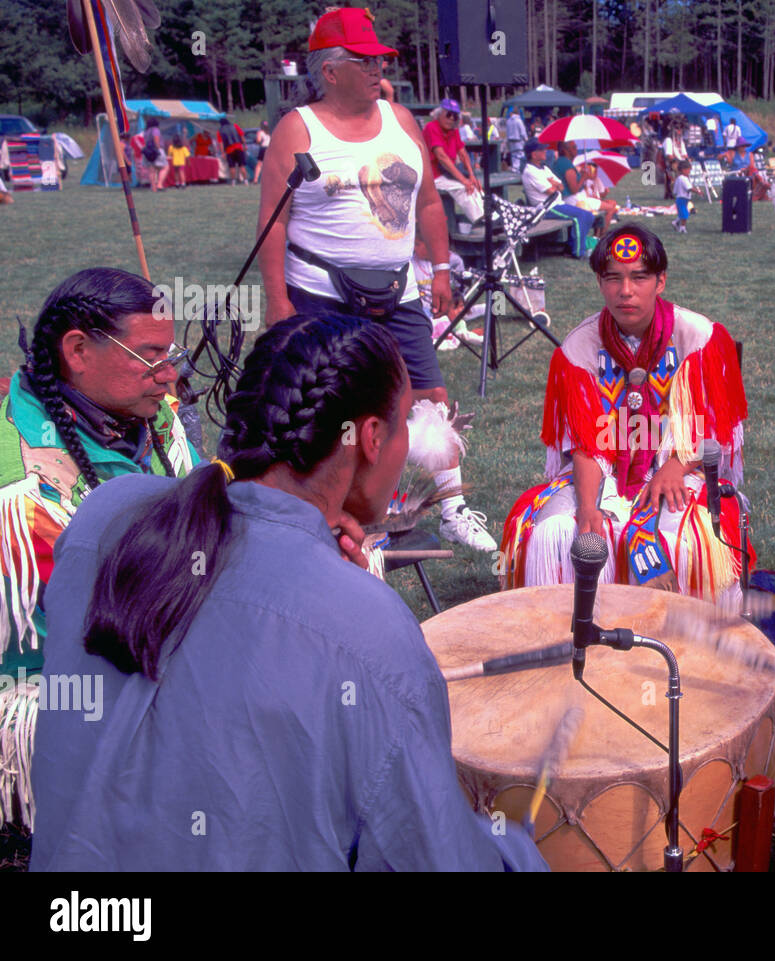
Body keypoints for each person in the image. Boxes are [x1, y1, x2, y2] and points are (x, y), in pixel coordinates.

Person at [30, 314, 546, 871]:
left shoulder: (103, 519)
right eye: (399, 428)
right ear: (370, 440)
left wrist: (308, 554)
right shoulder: (368, 629)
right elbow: (429, 857)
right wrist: (515, 849)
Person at [256, 7, 494, 553]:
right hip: (320, 292)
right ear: (330, 71)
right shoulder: (298, 128)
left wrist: (438, 267)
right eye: (364, 61)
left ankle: (453, 508)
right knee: (337, 408)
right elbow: (274, 223)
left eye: (379, 60)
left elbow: (431, 201)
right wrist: (277, 304)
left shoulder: (402, 120)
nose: (376, 69)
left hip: (398, 288)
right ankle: (350, 515)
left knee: (430, 395)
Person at [0, 267, 197, 836]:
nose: (169, 375)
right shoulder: (25, 492)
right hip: (56, 696)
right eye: (150, 355)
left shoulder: (144, 409)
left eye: (171, 353)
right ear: (78, 351)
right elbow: (87, 636)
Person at [500, 225, 751, 605]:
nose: (626, 291)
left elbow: (715, 430)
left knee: (685, 539)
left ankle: (692, 640)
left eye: (639, 277)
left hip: (679, 463)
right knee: (555, 530)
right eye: (613, 278)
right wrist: (587, 507)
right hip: (604, 468)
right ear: (600, 284)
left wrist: (675, 466)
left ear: (661, 281)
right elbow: (586, 444)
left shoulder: (697, 337)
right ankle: (574, 633)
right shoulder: (580, 347)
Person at [521, 139, 597, 258]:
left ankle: (572, 246)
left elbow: (561, 187)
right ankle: (578, 252)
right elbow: (551, 191)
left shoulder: (544, 168)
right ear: (533, 154)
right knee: (581, 216)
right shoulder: (530, 171)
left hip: (557, 204)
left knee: (589, 215)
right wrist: (553, 184)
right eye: (541, 150)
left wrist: (553, 184)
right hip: (546, 208)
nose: (545, 151)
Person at [424, 98, 485, 226]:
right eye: (448, 114)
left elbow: (462, 153)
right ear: (439, 114)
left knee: (477, 186)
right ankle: (480, 221)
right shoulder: (431, 127)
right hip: (431, 176)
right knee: (463, 187)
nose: (451, 118)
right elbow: (441, 157)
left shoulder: (454, 130)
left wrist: (471, 175)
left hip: (446, 172)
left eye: (455, 116)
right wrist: (464, 180)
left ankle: (489, 216)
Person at [671, 160, 700, 234]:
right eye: (689, 170)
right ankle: (682, 228)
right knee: (684, 214)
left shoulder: (680, 178)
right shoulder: (682, 179)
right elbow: (689, 188)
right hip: (682, 199)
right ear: (683, 170)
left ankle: (676, 222)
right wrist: (698, 191)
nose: (689, 172)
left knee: (683, 213)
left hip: (683, 199)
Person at [141, 115, 165, 192]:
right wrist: (159, 149)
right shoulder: (155, 130)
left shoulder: (146, 131)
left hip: (148, 151)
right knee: (165, 167)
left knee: (151, 170)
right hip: (156, 151)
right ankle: (159, 184)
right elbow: (156, 140)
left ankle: (153, 187)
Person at [220, 117, 247, 185]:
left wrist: (223, 153)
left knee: (232, 167)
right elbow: (242, 135)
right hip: (239, 148)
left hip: (229, 150)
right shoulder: (235, 126)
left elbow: (221, 143)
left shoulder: (220, 130)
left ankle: (233, 182)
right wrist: (244, 145)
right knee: (242, 166)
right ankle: (246, 180)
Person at [506, 107, 527, 173]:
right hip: (518, 140)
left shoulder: (508, 121)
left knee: (513, 155)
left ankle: (514, 168)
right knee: (520, 154)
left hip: (511, 140)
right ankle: (520, 168)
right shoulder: (519, 121)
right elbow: (522, 131)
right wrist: (526, 139)